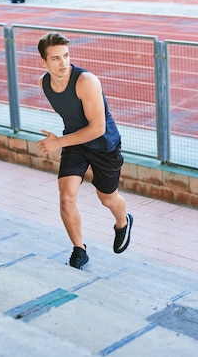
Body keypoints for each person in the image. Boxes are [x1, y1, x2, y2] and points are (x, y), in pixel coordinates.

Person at [36, 32, 133, 269]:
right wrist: (63, 141)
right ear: (44, 62)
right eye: (56, 58)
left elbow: (98, 128)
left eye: (66, 56)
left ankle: (123, 221)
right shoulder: (44, 83)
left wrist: (58, 142)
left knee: (107, 199)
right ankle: (79, 249)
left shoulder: (86, 81)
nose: (63, 63)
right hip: (75, 143)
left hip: (103, 145)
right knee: (66, 196)